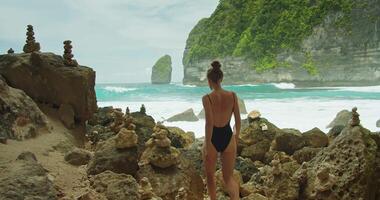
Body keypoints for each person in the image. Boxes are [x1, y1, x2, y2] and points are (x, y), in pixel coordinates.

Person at [202, 60, 241, 200]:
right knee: (228, 178)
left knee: (210, 177)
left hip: (213, 136)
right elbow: (238, 121)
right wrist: (235, 138)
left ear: (209, 81)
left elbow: (209, 123)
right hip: (228, 135)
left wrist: (207, 143)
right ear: (221, 79)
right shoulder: (232, 95)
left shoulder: (207, 98)